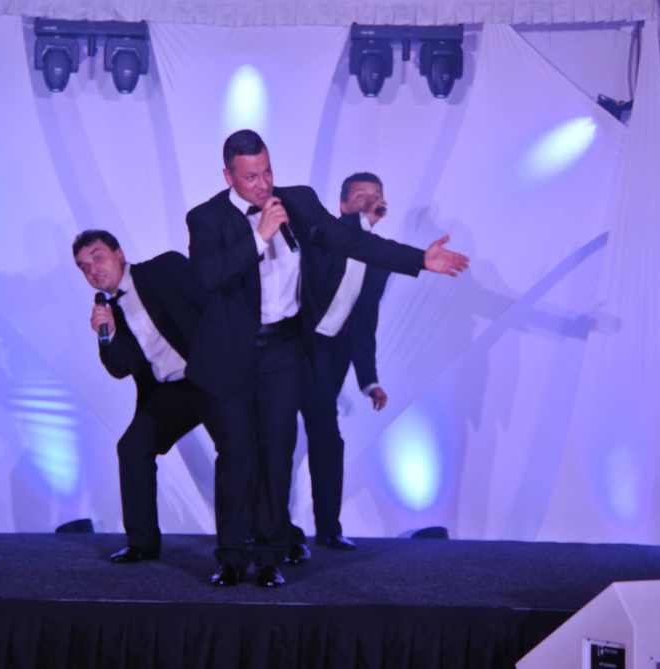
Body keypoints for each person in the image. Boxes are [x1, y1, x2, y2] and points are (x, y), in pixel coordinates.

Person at [185, 130, 469, 588]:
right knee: (236, 455)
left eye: (267, 172)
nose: (263, 184)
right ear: (228, 176)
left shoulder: (297, 201)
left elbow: (351, 242)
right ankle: (231, 556)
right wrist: (259, 236)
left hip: (283, 348)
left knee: (278, 452)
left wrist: (419, 259)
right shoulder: (205, 218)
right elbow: (207, 277)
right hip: (231, 355)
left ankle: (271, 556)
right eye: (251, 177)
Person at [73, 230, 210, 565]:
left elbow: (211, 306)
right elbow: (120, 368)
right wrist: (107, 335)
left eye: (97, 257)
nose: (93, 269)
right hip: (170, 392)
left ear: (119, 253)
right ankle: (142, 543)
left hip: (209, 378)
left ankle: (271, 537)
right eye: (84, 267)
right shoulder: (109, 312)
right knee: (132, 448)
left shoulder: (163, 269)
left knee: (240, 450)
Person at [289, 172, 392, 559]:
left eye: (376, 196)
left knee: (327, 440)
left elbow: (364, 320)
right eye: (361, 196)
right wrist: (362, 223)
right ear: (343, 205)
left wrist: (369, 380)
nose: (370, 201)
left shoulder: (379, 256)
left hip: (330, 357)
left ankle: (328, 529)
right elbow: (343, 238)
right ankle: (267, 528)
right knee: (276, 440)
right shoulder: (323, 237)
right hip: (291, 347)